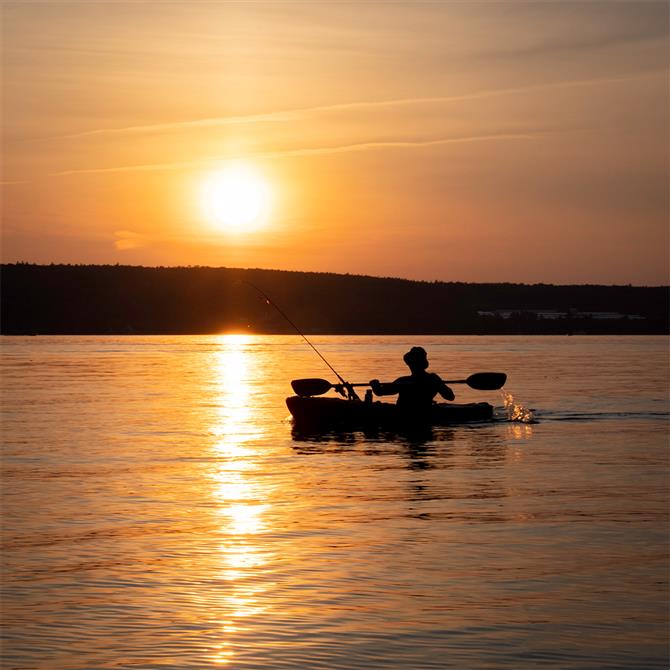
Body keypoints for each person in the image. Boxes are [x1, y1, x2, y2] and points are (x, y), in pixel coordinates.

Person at [369, 346, 454, 419]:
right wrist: (439, 384)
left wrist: (374, 384)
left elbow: (379, 392)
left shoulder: (404, 381)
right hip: (424, 416)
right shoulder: (433, 378)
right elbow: (450, 397)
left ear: (410, 364)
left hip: (403, 418)